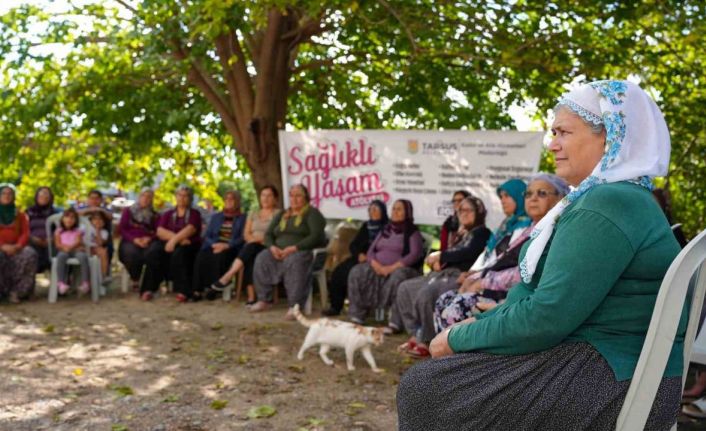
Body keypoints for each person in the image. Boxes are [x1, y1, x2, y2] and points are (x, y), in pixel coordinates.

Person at [397, 80, 684, 430]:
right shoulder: (617, 198)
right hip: (613, 365)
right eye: (552, 133)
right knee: (439, 379)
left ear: (609, 137)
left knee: (427, 388)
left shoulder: (608, 203)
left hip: (613, 377)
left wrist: (456, 337)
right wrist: (477, 324)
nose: (553, 144)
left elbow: (547, 317)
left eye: (563, 132)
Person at [433, 174, 569, 336]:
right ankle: (446, 357)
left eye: (542, 193)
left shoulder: (556, 230)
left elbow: (527, 272)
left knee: (458, 307)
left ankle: (461, 359)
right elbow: (499, 259)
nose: (533, 198)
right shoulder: (530, 229)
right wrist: (475, 278)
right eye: (528, 194)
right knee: (445, 299)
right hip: (499, 289)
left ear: (560, 198)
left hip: (521, 299)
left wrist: (483, 282)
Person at [390, 195, 491, 357]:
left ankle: (428, 340)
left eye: (468, 210)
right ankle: (416, 333)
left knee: (426, 294)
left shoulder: (482, 233)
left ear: (478, 212)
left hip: (460, 277)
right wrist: (438, 260)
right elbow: (448, 252)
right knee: (405, 288)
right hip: (442, 273)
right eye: (460, 210)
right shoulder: (462, 233)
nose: (463, 213)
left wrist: (441, 257)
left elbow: (467, 252)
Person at [250, 184, 326, 319]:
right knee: (262, 258)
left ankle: (295, 306)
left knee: (294, 261)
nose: (294, 199)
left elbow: (316, 236)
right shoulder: (283, 214)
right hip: (278, 251)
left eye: (298, 196)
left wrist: (294, 248)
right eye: (292, 195)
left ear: (306, 198)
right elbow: (268, 235)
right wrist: (272, 247)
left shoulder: (312, 213)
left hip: (301, 251)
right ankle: (264, 300)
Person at [346, 199, 424, 324]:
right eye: (393, 208)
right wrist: (376, 265)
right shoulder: (386, 230)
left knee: (398, 277)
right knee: (357, 271)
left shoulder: (412, 232)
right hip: (378, 266)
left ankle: (395, 321)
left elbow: (414, 255)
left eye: (399, 209)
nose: (395, 211)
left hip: (400, 269)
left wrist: (391, 268)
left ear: (407, 213)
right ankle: (357, 314)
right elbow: (371, 251)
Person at [210, 185, 279, 305]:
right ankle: (251, 296)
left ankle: (229, 277)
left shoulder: (279, 214)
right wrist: (253, 240)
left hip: (268, 245)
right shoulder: (253, 213)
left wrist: (259, 239)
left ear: (275, 199)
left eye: (269, 196)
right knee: (250, 252)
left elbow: (277, 233)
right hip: (253, 244)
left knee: (250, 249)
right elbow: (246, 234)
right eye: (263, 195)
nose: (265, 198)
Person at [322, 200, 389, 316]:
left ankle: (361, 311)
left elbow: (388, 249)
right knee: (339, 272)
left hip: (378, 261)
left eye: (375, 209)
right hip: (360, 258)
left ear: (382, 212)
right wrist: (358, 254)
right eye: (370, 210)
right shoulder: (366, 226)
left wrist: (369, 257)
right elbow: (354, 245)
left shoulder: (388, 228)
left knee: (358, 275)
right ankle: (335, 306)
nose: (372, 212)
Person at [140, 186, 202, 301]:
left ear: (190, 199)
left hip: (188, 245)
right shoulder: (168, 213)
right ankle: (148, 289)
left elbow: (191, 229)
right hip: (171, 242)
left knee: (180, 254)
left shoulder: (194, 213)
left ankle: (183, 290)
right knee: (153, 252)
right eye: (180, 195)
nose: (182, 198)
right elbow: (160, 231)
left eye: (185, 196)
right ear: (176, 197)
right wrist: (176, 239)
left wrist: (174, 241)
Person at [192, 190, 246, 300]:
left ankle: (214, 289)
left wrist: (227, 246)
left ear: (237, 201)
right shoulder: (216, 217)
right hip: (215, 244)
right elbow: (207, 235)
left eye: (232, 199)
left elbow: (242, 237)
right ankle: (197, 290)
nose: (229, 201)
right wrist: (214, 245)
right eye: (226, 199)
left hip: (231, 247)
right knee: (202, 256)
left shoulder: (243, 218)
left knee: (221, 257)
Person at [472, 178, 531, 270]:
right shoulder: (507, 223)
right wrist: (473, 271)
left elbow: (507, 255)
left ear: (519, 196)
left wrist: (478, 273)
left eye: (507, 196)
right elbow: (488, 252)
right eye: (501, 197)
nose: (502, 200)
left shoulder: (525, 224)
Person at [0, 184, 38, 303]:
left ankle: (17, 292)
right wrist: (2, 246)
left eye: (10, 194)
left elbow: (25, 232)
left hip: (17, 247)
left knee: (30, 254)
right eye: (4, 193)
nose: (7, 196)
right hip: (1, 247)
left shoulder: (20, 214)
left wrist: (18, 246)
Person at [118, 188, 159, 290]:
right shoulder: (128, 211)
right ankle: (135, 278)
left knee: (153, 253)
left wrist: (149, 238)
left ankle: (149, 283)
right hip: (130, 240)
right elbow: (122, 229)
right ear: (139, 197)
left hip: (148, 241)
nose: (145, 199)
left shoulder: (155, 214)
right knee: (131, 253)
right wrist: (134, 240)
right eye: (143, 196)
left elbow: (158, 231)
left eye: (149, 197)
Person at [54, 207, 91, 295]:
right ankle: (61, 283)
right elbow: (57, 244)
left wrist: (70, 247)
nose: (69, 220)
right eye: (67, 217)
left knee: (82, 256)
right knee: (61, 256)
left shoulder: (78, 231)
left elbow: (78, 242)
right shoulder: (58, 231)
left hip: (75, 250)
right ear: (62, 219)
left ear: (76, 220)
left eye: (72, 218)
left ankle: (85, 282)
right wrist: (64, 247)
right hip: (64, 251)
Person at [27, 186, 58, 273]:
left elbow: (61, 228)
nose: (43, 197)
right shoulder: (29, 211)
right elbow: (24, 229)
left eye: (46, 195)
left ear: (50, 198)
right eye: (41, 195)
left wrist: (52, 238)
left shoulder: (56, 212)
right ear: (36, 197)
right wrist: (32, 238)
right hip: (32, 241)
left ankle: (59, 282)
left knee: (54, 251)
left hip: (52, 241)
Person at [88, 211, 111, 279]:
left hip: (96, 250)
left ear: (104, 222)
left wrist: (97, 230)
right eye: (95, 219)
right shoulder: (86, 228)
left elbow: (100, 243)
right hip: (85, 248)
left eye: (100, 219)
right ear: (91, 221)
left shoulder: (104, 232)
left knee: (104, 252)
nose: (97, 221)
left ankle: (103, 276)